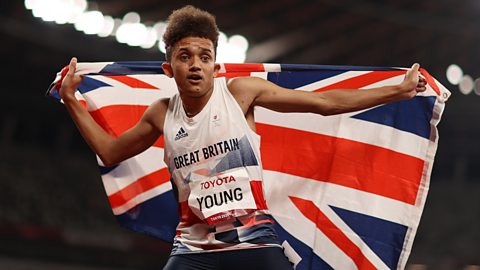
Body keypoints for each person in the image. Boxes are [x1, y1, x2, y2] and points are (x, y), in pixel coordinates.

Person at [56, 5, 427, 270]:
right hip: (193, 249)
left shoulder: (240, 93)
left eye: (205, 56)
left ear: (216, 65)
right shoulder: (161, 113)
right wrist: (71, 98)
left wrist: (397, 91)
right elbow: (108, 150)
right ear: (170, 68)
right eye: (185, 56)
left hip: (255, 245)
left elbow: (325, 102)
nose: (196, 64)